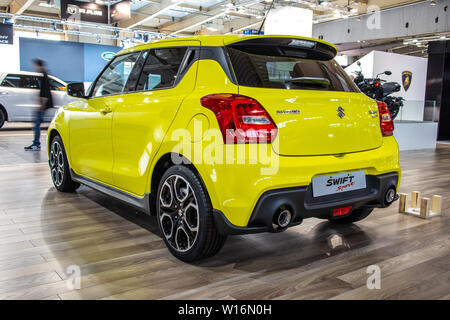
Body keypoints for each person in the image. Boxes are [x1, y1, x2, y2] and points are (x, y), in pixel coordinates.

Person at [24, 58, 53, 151]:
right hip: (44, 105)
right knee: (37, 124)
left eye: (36, 65)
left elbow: (45, 92)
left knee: (36, 124)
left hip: (44, 105)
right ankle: (36, 143)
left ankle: (36, 144)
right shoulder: (45, 75)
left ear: (39, 66)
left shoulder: (45, 76)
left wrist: (42, 105)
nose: (35, 67)